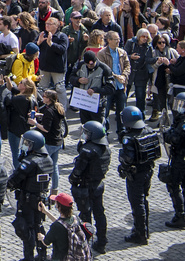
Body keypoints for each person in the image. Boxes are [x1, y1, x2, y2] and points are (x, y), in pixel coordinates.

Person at [118, 104, 162, 244]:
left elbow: (128, 158)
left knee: (137, 203)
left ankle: (140, 233)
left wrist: (122, 165)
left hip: (135, 175)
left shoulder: (129, 138)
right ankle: (144, 230)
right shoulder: (149, 130)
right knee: (143, 200)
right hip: (148, 171)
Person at [9, 131, 52, 261]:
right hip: (40, 199)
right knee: (39, 226)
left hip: (27, 201)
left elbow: (15, 180)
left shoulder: (29, 162)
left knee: (26, 229)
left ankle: (29, 257)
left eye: (27, 143)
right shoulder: (48, 159)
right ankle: (42, 255)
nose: (24, 145)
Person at [67, 120, 109, 254]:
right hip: (98, 184)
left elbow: (79, 169)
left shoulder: (88, 150)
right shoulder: (105, 148)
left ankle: (85, 244)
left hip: (86, 187)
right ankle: (102, 242)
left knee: (85, 216)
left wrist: (73, 179)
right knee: (99, 213)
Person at [163, 88, 185, 228]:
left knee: (173, 184)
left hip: (181, 157)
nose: (179, 107)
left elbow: (174, 138)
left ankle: (180, 216)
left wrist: (167, 134)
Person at [41, 194, 93, 261]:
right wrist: (46, 212)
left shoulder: (56, 227)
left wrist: (41, 237)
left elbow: (46, 242)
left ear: (59, 207)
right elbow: (62, 224)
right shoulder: (75, 218)